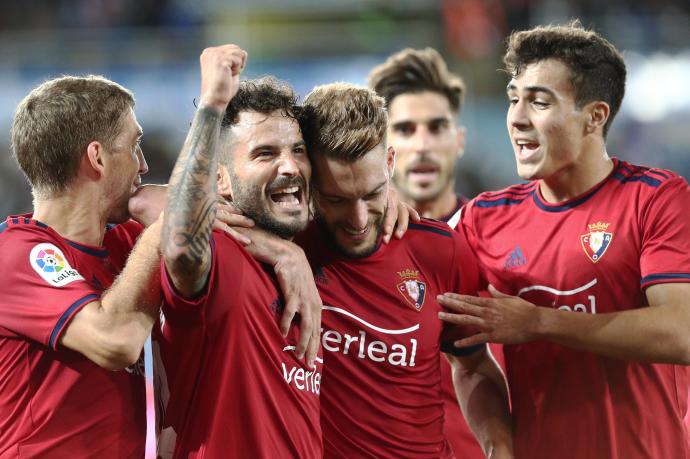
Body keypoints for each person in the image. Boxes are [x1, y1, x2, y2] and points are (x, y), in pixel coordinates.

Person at [438, 21, 690, 458]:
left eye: (538, 101)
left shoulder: (657, 198)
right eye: (513, 99)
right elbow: (467, 358)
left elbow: (682, 332)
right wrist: (498, 444)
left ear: (595, 116)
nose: (516, 118)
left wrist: (538, 321)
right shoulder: (481, 220)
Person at [236, 82, 512, 458]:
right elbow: (160, 205)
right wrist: (277, 247)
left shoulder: (440, 250)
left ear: (389, 162)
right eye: (337, 200)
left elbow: (475, 366)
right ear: (308, 176)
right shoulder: (279, 241)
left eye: (372, 194)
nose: (358, 220)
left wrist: (500, 448)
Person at [154, 45, 324, 458]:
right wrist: (212, 106)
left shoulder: (311, 257)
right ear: (222, 181)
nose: (289, 167)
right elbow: (177, 238)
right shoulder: (215, 253)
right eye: (265, 153)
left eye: (298, 150)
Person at [0, 75, 162, 457]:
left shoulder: (122, 242)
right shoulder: (15, 253)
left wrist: (286, 255)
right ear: (97, 157)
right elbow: (115, 341)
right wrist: (165, 232)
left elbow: (219, 217)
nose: (144, 165)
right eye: (134, 145)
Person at [369, 47, 492, 459]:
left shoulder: (500, 241)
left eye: (437, 127)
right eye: (404, 129)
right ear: (380, 147)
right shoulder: (344, 249)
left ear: (458, 141)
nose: (422, 145)